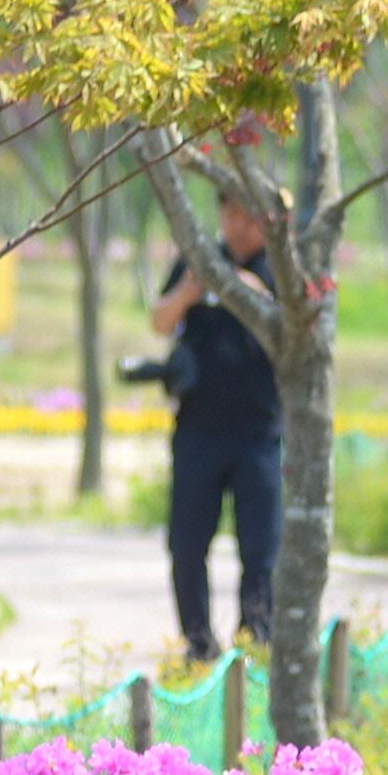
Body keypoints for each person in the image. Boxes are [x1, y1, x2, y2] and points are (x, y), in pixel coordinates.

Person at [148, 198, 285, 662]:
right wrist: (188, 294)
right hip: (198, 431)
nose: (238, 228)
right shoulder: (199, 261)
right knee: (186, 544)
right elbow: (159, 321)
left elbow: (297, 333)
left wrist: (251, 291)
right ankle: (198, 643)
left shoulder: (280, 267)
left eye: (248, 218)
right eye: (229, 217)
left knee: (261, 550)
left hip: (259, 435)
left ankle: (256, 641)